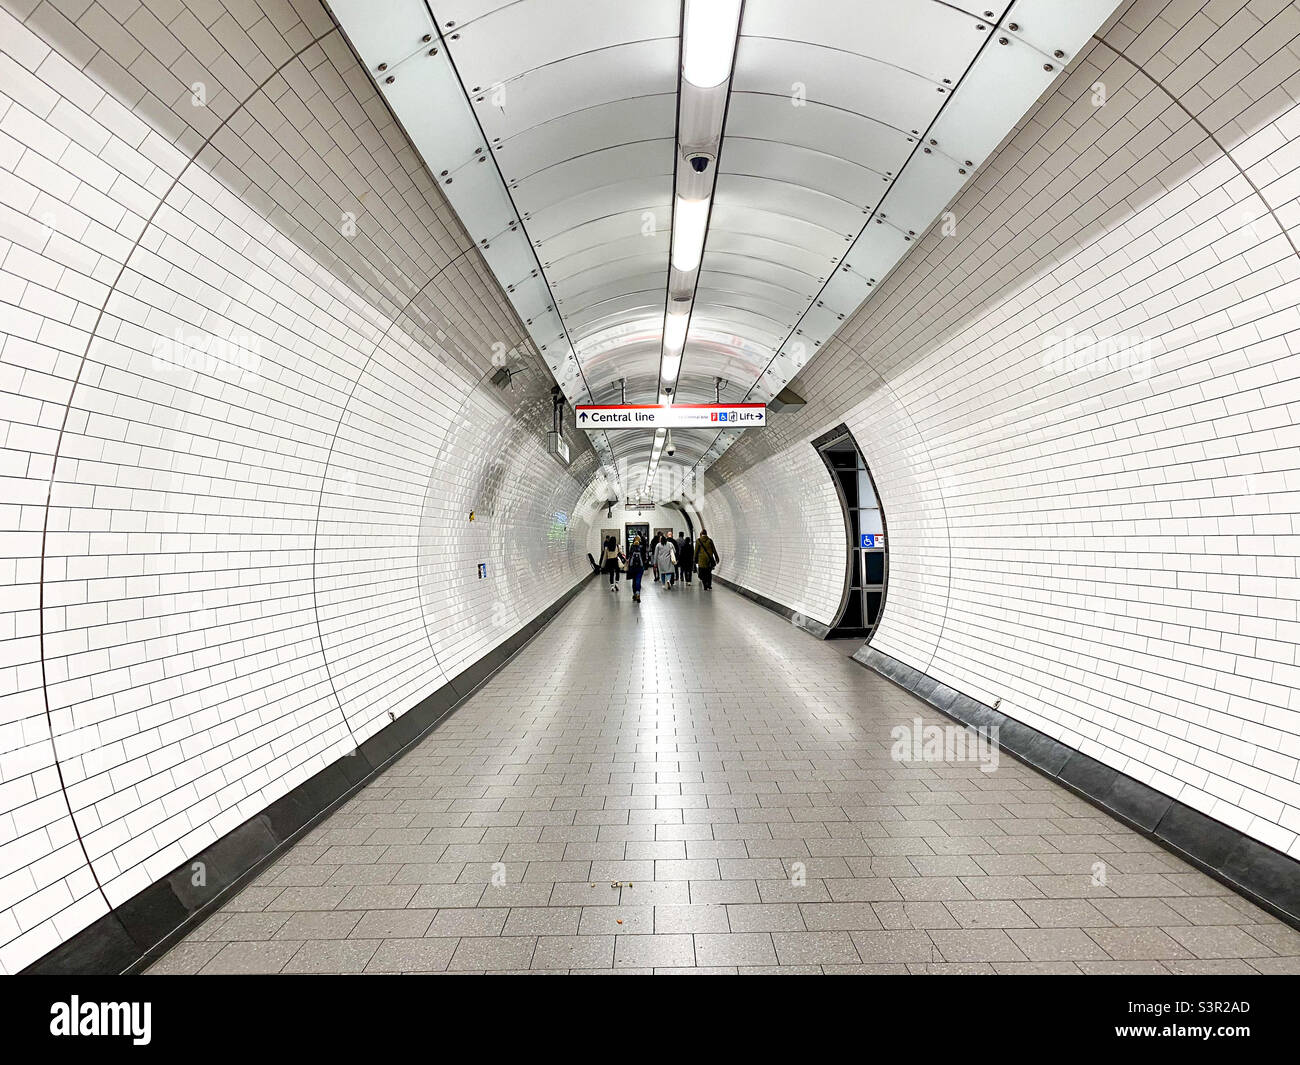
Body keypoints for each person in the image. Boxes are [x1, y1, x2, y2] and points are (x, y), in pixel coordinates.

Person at [626, 535, 646, 603]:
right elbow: (644, 557)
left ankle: (634, 594)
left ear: (634, 540)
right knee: (638, 580)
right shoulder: (642, 547)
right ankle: (638, 593)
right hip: (640, 567)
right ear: (640, 540)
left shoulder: (632, 546)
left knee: (634, 581)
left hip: (632, 567)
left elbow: (629, 555)